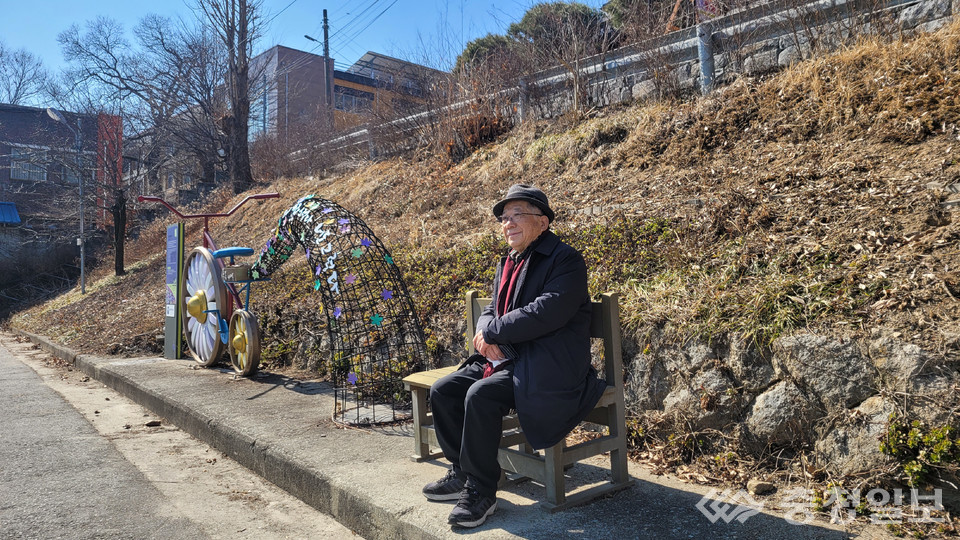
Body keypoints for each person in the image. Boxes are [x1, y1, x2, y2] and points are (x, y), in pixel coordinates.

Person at [423, 184, 607, 527]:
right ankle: (463, 473)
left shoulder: (565, 260)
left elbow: (547, 310)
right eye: (504, 219)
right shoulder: (508, 262)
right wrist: (485, 333)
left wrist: (493, 332)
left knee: (480, 395)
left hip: (548, 365)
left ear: (543, 221)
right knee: (444, 390)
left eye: (516, 215)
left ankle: (481, 491)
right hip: (511, 358)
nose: (508, 224)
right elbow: (491, 309)